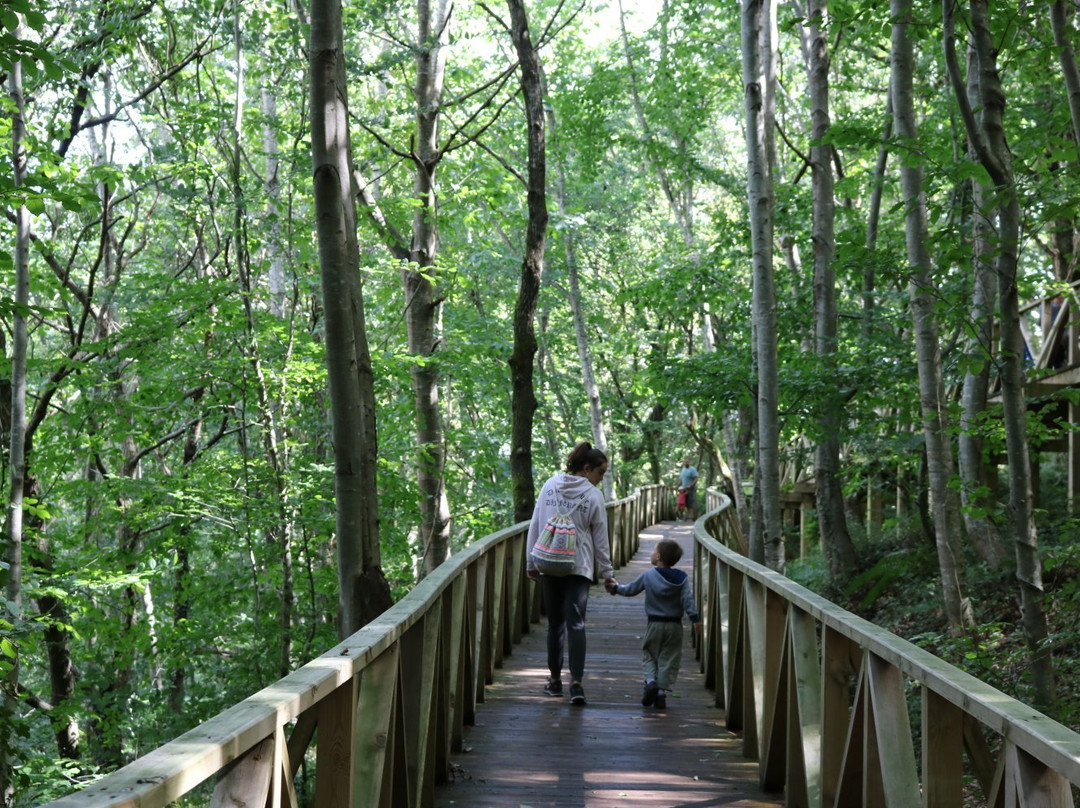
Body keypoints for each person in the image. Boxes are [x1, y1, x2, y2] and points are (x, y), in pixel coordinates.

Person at [525, 441, 615, 706]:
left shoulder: (550, 485)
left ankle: (554, 681)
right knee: (576, 624)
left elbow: (536, 523)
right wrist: (608, 571)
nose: (602, 478)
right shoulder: (594, 496)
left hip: (550, 563)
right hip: (579, 566)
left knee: (555, 624)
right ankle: (576, 684)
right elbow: (601, 538)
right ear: (586, 469)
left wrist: (531, 562)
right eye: (601, 472)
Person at [605, 538, 700, 709]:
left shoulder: (648, 575)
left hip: (654, 624)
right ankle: (661, 693)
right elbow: (688, 600)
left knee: (649, 654)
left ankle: (650, 682)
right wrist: (695, 619)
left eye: (653, 551)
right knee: (668, 657)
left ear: (658, 557)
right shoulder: (682, 578)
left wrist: (616, 588)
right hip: (675, 626)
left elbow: (631, 590)